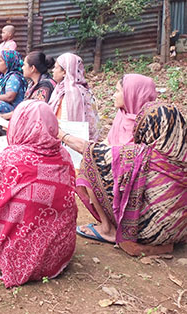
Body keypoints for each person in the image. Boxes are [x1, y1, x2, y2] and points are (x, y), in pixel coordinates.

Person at [0, 100, 77, 287]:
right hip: (58, 254)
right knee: (23, 200)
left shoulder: (13, 157)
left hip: (24, 258)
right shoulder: (64, 155)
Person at [62, 102, 187, 256]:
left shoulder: (142, 155)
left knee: (91, 161)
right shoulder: (181, 156)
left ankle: (107, 229)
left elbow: (91, 151)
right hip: (181, 231)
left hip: (150, 232)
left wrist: (61, 135)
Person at [48, 52, 99, 140]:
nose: (53, 70)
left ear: (64, 72)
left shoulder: (71, 93)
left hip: (69, 140)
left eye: (55, 68)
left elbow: (64, 120)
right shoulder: (60, 88)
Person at [0, 51, 56, 121]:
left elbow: (34, 113)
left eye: (24, 65)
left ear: (32, 68)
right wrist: (3, 116)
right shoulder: (32, 83)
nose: (22, 68)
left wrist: (5, 117)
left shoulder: (45, 87)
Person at [106, 74, 157, 146]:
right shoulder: (122, 114)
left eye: (118, 91)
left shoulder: (149, 124)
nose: (114, 95)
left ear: (130, 94)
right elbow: (108, 142)